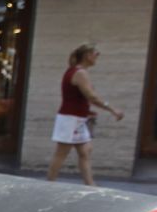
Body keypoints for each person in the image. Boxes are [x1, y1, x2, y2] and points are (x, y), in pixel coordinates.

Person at [47, 43, 123, 186]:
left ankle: (90, 185)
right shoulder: (79, 73)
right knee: (61, 153)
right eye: (96, 54)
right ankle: (49, 183)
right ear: (88, 55)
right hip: (70, 118)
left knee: (85, 151)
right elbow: (91, 96)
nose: (97, 57)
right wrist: (112, 109)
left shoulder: (77, 71)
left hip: (78, 119)